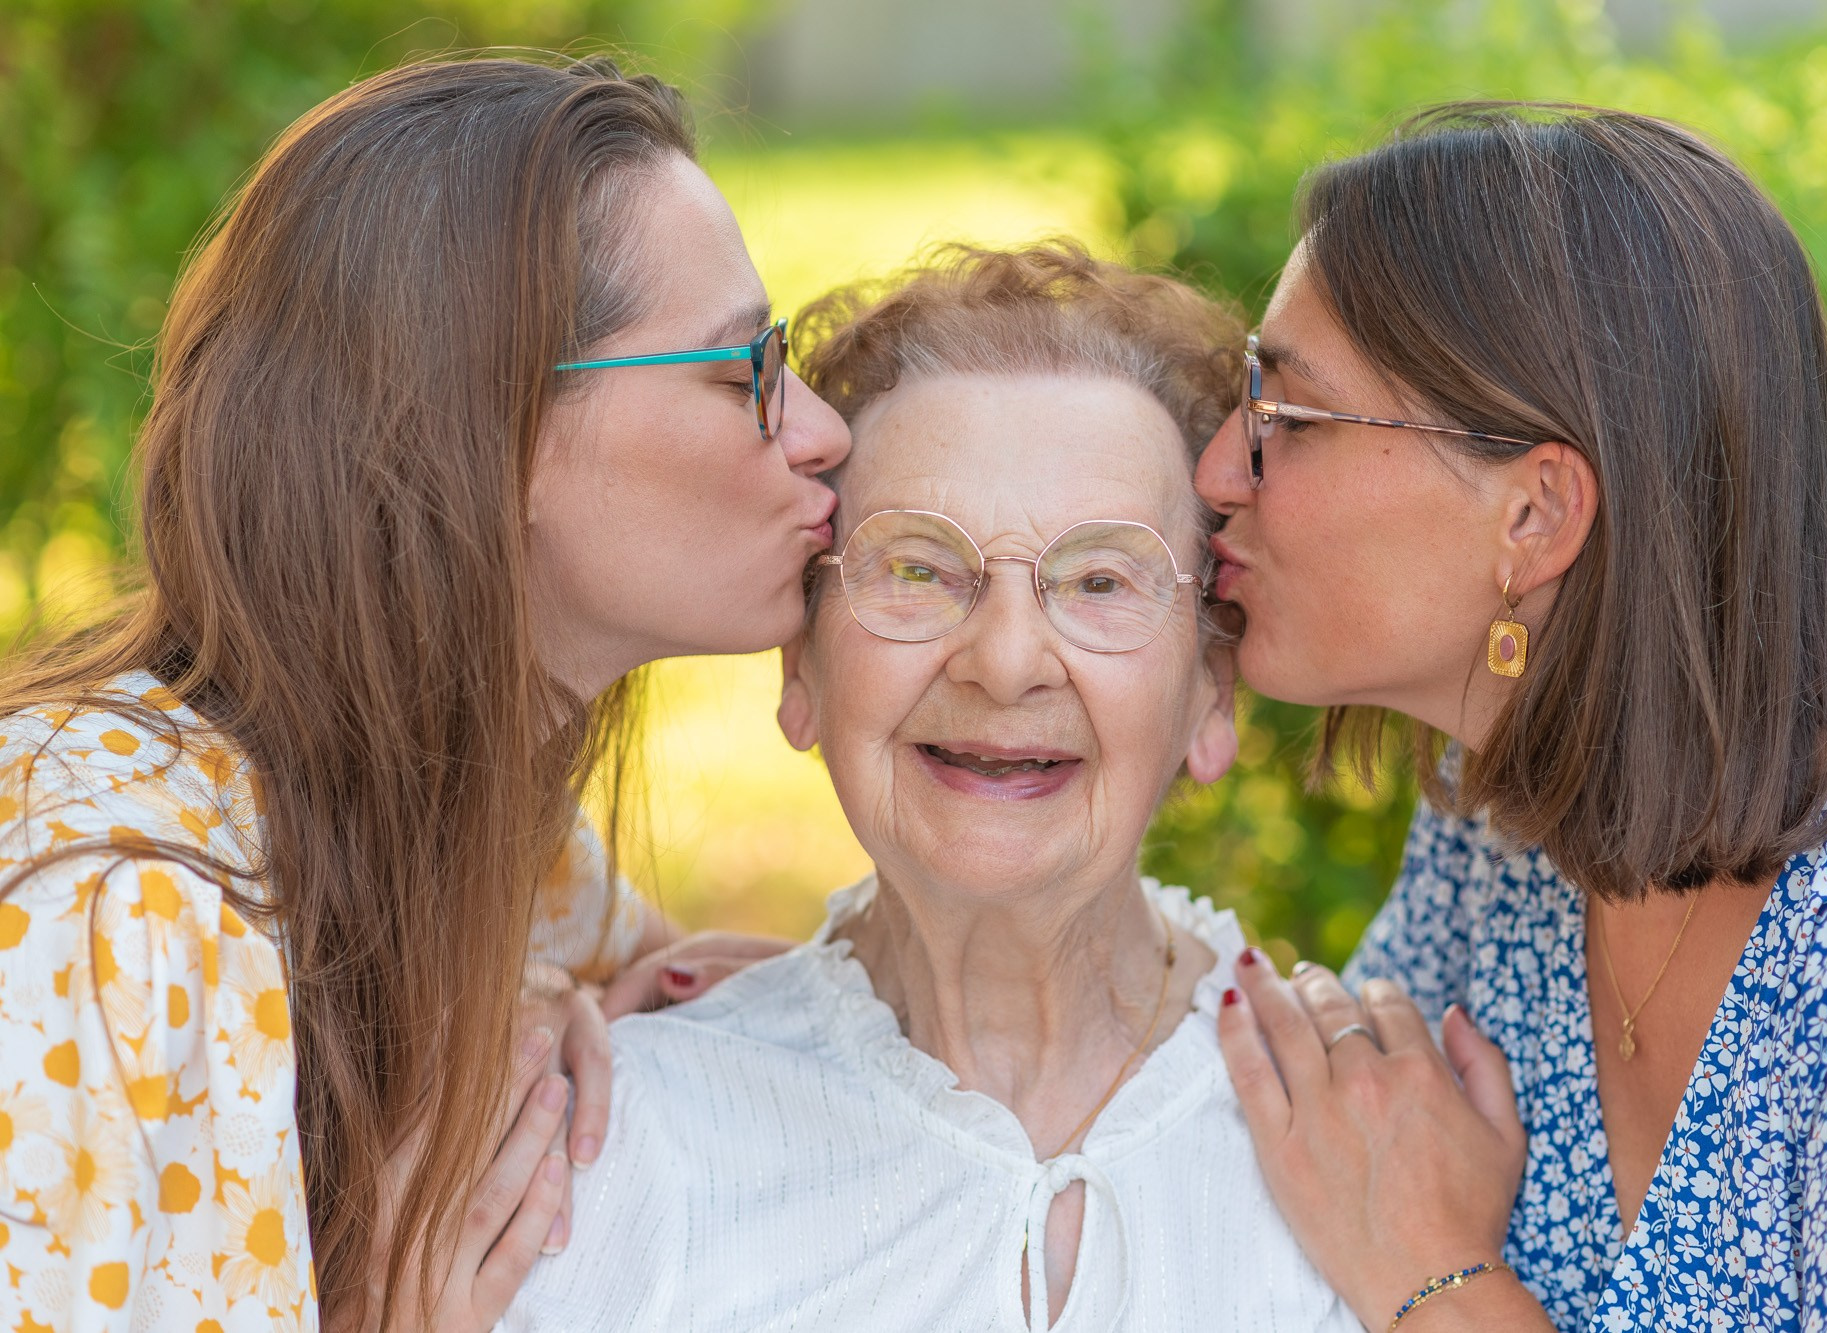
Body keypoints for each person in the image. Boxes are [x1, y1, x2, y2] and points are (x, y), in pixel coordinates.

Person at [0, 55, 848, 1332]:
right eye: (749, 369)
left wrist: (604, 1010)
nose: (824, 427)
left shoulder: (485, 820)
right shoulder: (113, 918)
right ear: (489, 426)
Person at [1200, 102, 1827, 1331]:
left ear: (1533, 515)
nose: (1216, 468)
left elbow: (1381, 1227)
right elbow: (1289, 1146)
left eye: (1287, 421)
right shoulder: (1499, 819)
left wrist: (1439, 1280)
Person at [500, 243, 1364, 1332]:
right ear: (800, 672)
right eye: (916, 569)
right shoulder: (608, 1141)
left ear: (1209, 691)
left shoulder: (1360, 1141)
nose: (1003, 662)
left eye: (1099, 580)